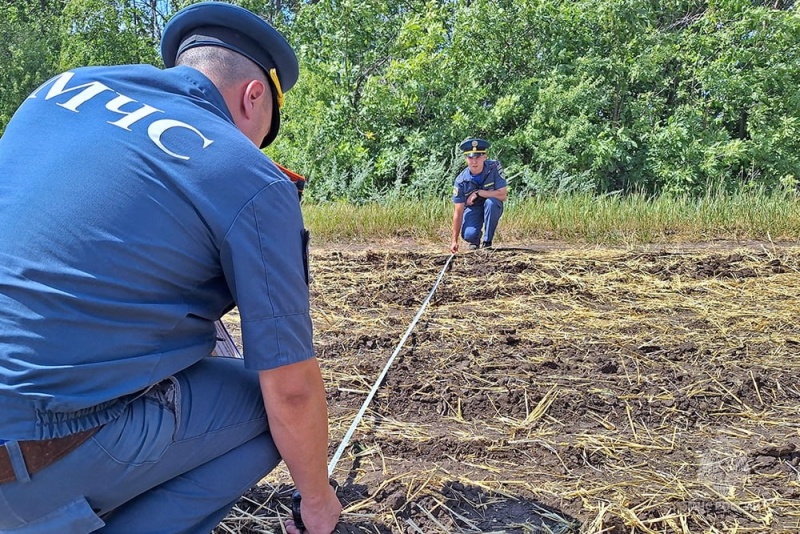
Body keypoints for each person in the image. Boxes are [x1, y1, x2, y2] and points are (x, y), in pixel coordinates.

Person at [0, 2, 341, 533]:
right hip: (24, 459)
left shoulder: (59, 90)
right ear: (255, 98)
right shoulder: (248, 173)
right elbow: (291, 391)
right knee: (267, 416)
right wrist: (317, 500)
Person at [450, 138, 508, 253]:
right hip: (473, 208)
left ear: (484, 157)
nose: (474, 161)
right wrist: (454, 241)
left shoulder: (494, 167)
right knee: (468, 235)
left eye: (478, 157)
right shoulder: (461, 181)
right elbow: (458, 212)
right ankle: (474, 240)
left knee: (491, 203)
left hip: (492, 205)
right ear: (466, 159)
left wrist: (479, 193)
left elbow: (503, 195)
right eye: (470, 158)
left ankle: (487, 243)